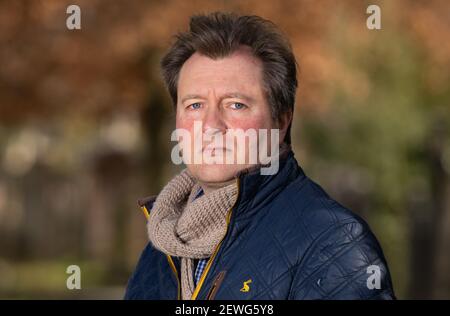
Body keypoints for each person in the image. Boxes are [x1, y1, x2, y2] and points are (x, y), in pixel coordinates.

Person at [124, 12, 395, 300]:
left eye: (236, 105)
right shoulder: (161, 246)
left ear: (281, 122)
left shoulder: (335, 242)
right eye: (194, 105)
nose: (211, 126)